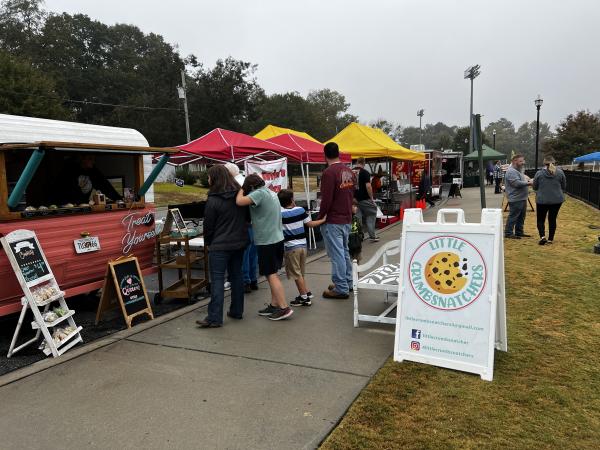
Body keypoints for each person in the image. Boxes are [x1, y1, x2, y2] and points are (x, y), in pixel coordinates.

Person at [196, 165, 249, 328]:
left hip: (219, 245)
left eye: (209, 176)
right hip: (239, 242)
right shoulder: (239, 195)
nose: (208, 179)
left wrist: (208, 242)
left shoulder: (213, 199)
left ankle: (214, 317)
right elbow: (247, 217)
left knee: (218, 280)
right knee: (237, 276)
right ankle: (237, 311)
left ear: (215, 178)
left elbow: (208, 226)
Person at [236, 175, 293, 320]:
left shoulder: (258, 193)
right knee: (272, 273)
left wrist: (242, 188)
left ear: (251, 186)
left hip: (266, 241)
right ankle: (274, 305)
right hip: (277, 238)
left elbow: (239, 201)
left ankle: (284, 307)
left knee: (271, 274)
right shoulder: (271, 192)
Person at [318, 142, 355, 299]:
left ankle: (341, 287)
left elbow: (326, 198)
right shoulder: (349, 171)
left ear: (325, 155)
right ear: (338, 153)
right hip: (346, 217)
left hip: (334, 219)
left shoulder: (329, 173)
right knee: (344, 252)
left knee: (337, 254)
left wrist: (320, 217)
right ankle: (347, 281)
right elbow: (352, 194)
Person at [277, 189, 326, 307]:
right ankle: (306, 292)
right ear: (292, 200)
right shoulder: (300, 210)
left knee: (296, 273)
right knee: (300, 272)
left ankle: (304, 297)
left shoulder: (279, 213)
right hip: (303, 247)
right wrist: (323, 220)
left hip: (290, 248)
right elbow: (310, 224)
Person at [225, 163, 257, 293]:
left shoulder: (234, 185)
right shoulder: (245, 181)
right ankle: (253, 279)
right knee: (252, 254)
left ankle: (245, 282)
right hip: (253, 222)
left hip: (241, 223)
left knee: (243, 254)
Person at [56, 154, 123, 205]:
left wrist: (119, 199)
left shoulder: (93, 172)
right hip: (67, 205)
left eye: (94, 159)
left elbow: (106, 186)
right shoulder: (69, 171)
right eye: (90, 159)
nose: (93, 162)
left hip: (83, 205)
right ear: (82, 159)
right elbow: (69, 191)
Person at [533, 156, 566, 245]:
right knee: (552, 219)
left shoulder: (539, 173)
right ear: (554, 163)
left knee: (540, 219)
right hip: (556, 200)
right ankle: (550, 239)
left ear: (544, 163)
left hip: (542, 200)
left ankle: (542, 237)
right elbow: (564, 186)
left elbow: (534, 187)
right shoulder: (560, 172)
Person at [504, 154, 533, 239]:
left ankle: (519, 232)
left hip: (521, 198)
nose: (523, 163)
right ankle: (508, 233)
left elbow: (521, 180)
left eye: (523, 161)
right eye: (521, 161)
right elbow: (516, 183)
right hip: (516, 198)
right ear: (514, 161)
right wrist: (529, 183)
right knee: (513, 216)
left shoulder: (517, 170)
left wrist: (527, 180)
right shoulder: (511, 171)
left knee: (521, 216)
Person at [353, 157, 379, 242]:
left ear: (357, 162)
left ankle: (358, 236)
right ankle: (372, 235)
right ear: (364, 163)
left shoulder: (350, 172)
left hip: (354, 200)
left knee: (357, 218)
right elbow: (368, 186)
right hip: (364, 198)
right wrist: (371, 199)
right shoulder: (365, 173)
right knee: (372, 213)